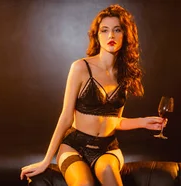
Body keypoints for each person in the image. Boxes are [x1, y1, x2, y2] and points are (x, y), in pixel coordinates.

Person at [20, 4, 165, 186]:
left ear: (125, 35)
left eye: (117, 30)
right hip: (74, 146)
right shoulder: (80, 68)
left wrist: (143, 122)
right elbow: (66, 117)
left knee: (108, 172)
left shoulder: (124, 74)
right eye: (104, 30)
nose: (110, 36)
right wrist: (46, 161)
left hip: (108, 148)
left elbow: (115, 121)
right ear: (97, 36)